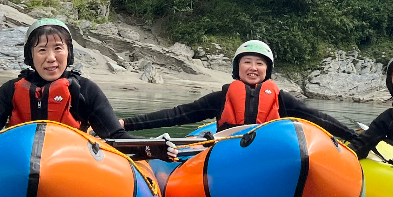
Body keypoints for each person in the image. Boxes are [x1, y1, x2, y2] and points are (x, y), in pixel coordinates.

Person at [120, 40, 358, 142]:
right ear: (237, 67)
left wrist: (356, 139)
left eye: (260, 63)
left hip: (270, 152)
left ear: (267, 70)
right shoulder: (221, 97)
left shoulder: (281, 99)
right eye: (247, 62)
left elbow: (318, 118)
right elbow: (178, 114)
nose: (253, 68)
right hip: (228, 151)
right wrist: (126, 124)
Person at [0, 19, 134, 144]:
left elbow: (115, 135)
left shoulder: (86, 89)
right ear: (30, 56)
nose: (51, 58)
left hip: (75, 164)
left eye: (58, 48)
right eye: (42, 50)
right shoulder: (10, 90)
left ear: (68, 53)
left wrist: (151, 149)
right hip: (18, 162)